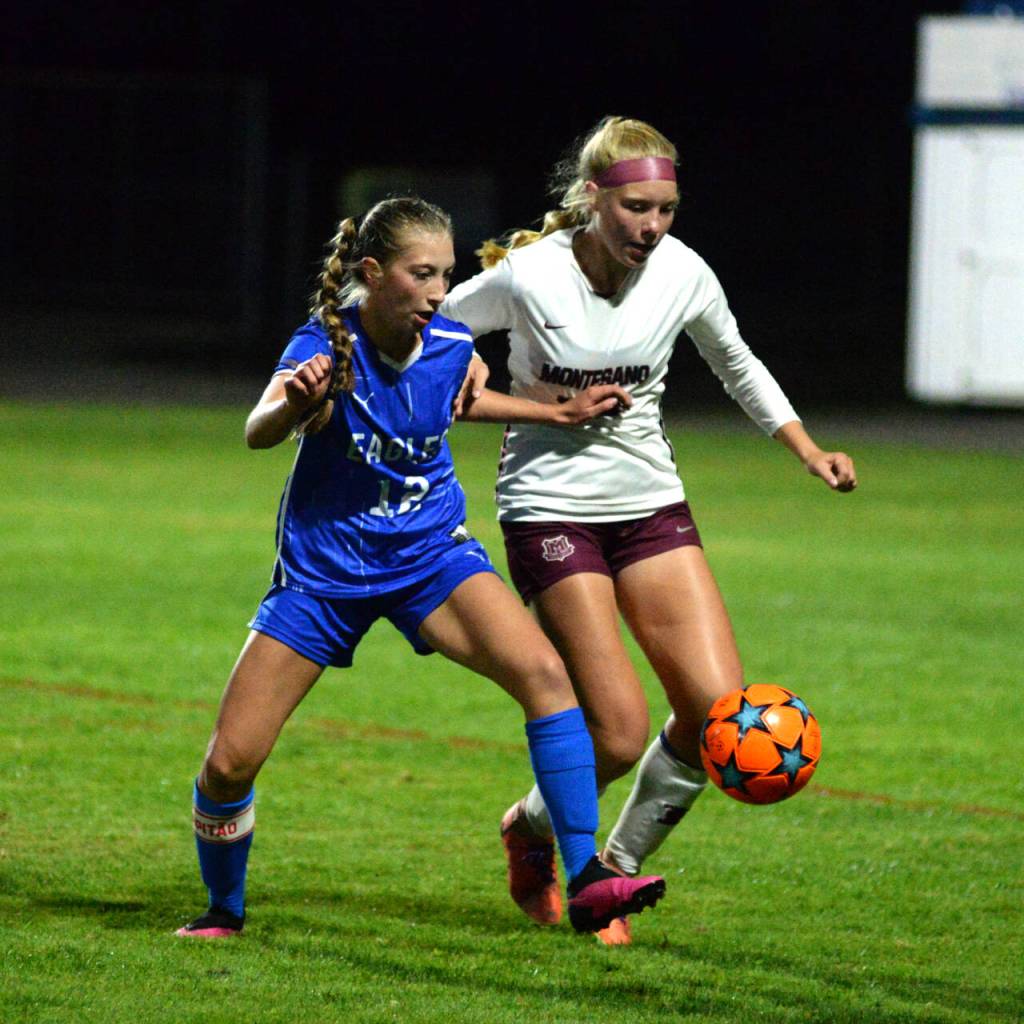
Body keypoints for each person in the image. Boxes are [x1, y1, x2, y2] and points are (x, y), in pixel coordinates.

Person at [175, 196, 666, 939]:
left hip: (430, 556)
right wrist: (293, 406)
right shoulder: (324, 345)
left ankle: (587, 876)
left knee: (543, 676)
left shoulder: (447, 343)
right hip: (324, 575)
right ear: (374, 274)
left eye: (446, 274)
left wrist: (558, 413)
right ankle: (224, 910)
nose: (439, 292)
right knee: (229, 764)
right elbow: (257, 430)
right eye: (423, 274)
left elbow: (455, 403)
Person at [440, 117, 858, 945]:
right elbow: (432, 322)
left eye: (666, 209)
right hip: (549, 507)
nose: (652, 226)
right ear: (595, 198)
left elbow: (736, 361)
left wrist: (806, 448)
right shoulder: (529, 275)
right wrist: (461, 353)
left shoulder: (684, 273)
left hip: (650, 504)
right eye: (636, 207)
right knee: (621, 731)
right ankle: (539, 834)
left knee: (717, 718)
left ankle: (611, 873)